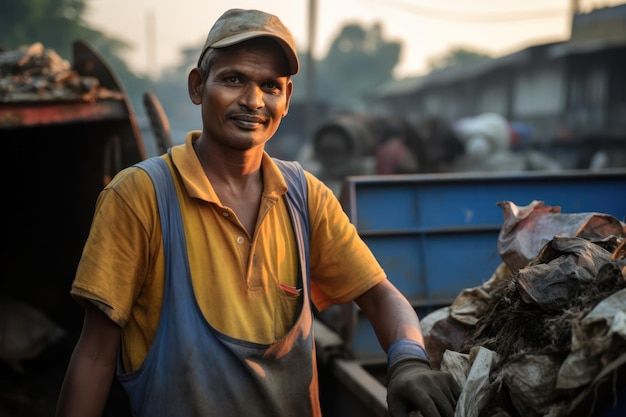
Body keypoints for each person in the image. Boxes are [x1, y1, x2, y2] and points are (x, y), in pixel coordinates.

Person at [55, 8, 460, 417]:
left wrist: (408, 360)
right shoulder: (140, 196)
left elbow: (379, 295)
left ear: (286, 99)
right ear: (198, 86)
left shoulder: (304, 197)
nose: (253, 101)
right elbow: (94, 355)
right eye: (233, 79)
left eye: (270, 86)